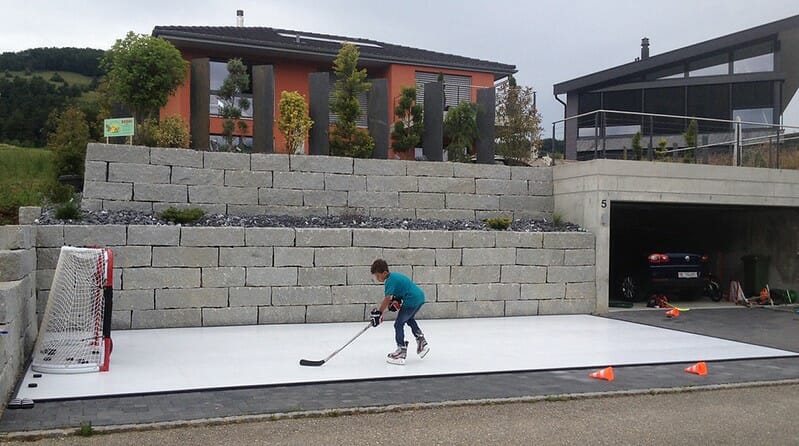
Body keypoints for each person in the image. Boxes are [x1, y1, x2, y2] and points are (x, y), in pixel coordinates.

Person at [369, 259, 429, 365]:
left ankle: (401, 350)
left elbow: (387, 298)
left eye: (378, 276)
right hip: (419, 297)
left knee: (398, 324)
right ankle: (421, 341)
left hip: (411, 300)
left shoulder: (389, 281)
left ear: (385, 273)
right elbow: (399, 292)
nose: (377, 278)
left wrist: (379, 313)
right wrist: (396, 301)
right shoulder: (395, 277)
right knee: (409, 319)